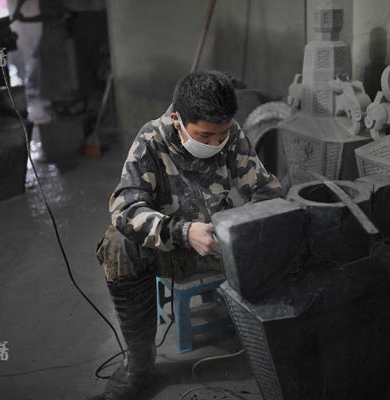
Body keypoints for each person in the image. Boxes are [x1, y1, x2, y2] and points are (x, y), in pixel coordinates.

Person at [92, 71, 282, 399]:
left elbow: (265, 187)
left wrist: (245, 225)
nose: (215, 143)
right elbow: (125, 210)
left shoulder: (231, 134)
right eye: (205, 135)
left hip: (215, 243)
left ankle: (274, 343)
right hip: (167, 248)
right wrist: (181, 231)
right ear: (178, 120)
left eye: (221, 135)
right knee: (118, 246)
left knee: (283, 228)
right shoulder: (151, 139)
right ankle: (139, 366)